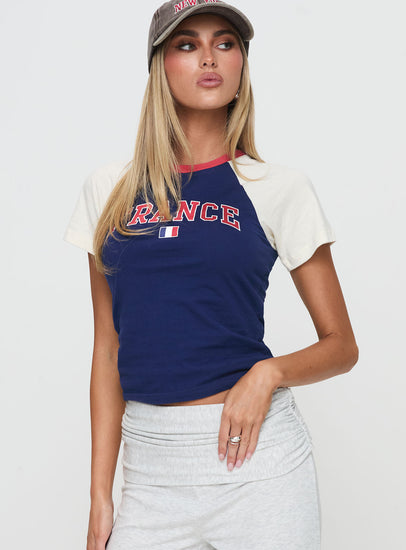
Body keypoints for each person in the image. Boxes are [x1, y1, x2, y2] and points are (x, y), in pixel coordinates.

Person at [63, 1, 359, 548]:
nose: (209, 58)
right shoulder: (110, 190)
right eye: (187, 44)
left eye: (225, 44)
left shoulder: (277, 187)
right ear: (160, 65)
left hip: (259, 465)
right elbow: (108, 349)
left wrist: (267, 373)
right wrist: (100, 496)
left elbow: (341, 345)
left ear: (242, 62)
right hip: (150, 473)